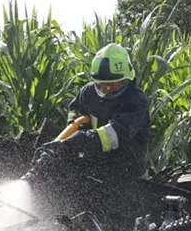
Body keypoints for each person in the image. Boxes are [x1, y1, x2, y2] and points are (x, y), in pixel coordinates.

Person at [35, 43, 151, 182]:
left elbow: (116, 134)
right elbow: (75, 109)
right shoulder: (88, 93)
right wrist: (75, 124)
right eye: (102, 83)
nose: (107, 88)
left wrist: (83, 140)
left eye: (114, 83)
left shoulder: (136, 101)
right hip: (96, 168)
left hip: (129, 176)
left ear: (126, 78)